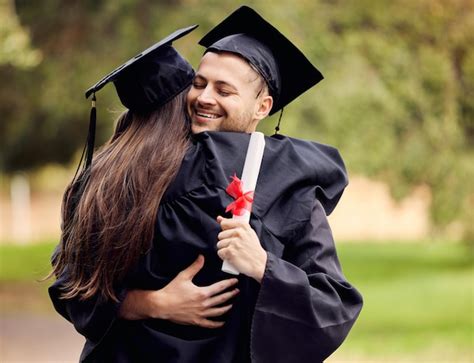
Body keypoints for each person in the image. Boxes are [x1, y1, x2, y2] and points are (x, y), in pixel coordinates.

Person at [49, 6, 363, 363]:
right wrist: (152, 303)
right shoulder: (135, 174)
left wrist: (262, 264)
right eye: (198, 84)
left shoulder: (287, 187)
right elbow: (72, 284)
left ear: (263, 106)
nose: (204, 98)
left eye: (224, 90)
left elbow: (332, 307)